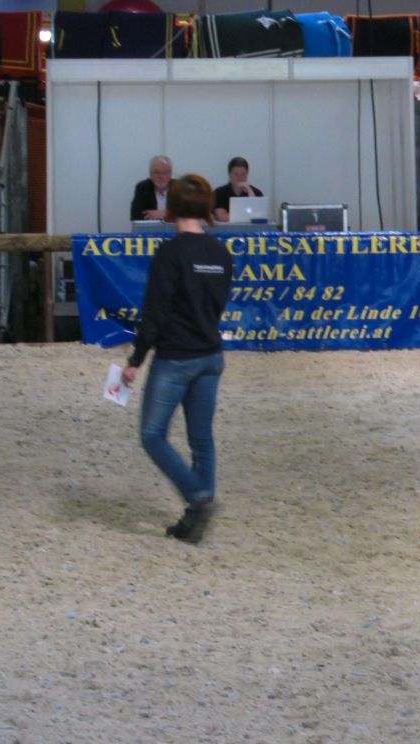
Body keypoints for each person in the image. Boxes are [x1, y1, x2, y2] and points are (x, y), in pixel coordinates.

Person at [121, 174, 233, 544]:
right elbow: (217, 304)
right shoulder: (221, 254)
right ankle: (194, 519)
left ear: (173, 210)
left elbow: (155, 312)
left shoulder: (170, 253)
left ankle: (197, 498)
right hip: (210, 354)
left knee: (152, 435)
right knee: (202, 439)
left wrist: (137, 358)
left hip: (175, 357)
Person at [213, 157, 264, 222]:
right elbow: (222, 217)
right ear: (230, 175)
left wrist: (250, 192)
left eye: (243, 174)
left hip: (251, 230)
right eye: (236, 174)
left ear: (247, 174)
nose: (240, 178)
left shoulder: (256, 192)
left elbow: (259, 217)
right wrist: (248, 215)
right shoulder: (219, 193)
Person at [130, 155, 174, 221]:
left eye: (165, 172)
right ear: (150, 174)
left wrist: (164, 213)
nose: (161, 176)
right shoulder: (143, 188)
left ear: (170, 174)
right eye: (156, 172)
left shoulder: (179, 188)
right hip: (150, 230)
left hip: (175, 230)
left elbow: (187, 214)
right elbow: (135, 216)